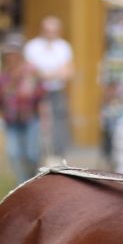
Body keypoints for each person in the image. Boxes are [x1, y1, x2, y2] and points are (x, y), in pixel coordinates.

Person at [24, 16, 74, 161]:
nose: (51, 33)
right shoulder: (32, 46)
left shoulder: (63, 46)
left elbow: (67, 72)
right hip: (37, 93)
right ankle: (38, 156)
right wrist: (53, 73)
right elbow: (31, 71)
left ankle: (58, 157)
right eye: (48, 30)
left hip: (57, 91)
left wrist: (45, 74)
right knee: (38, 125)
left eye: (54, 31)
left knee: (59, 124)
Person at [0, 36, 44, 182]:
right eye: (8, 54)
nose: (10, 57)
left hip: (30, 118)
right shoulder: (4, 75)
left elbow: (40, 93)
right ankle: (22, 184)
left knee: (32, 153)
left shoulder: (31, 71)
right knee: (13, 154)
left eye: (13, 53)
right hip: (11, 120)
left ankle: (34, 179)